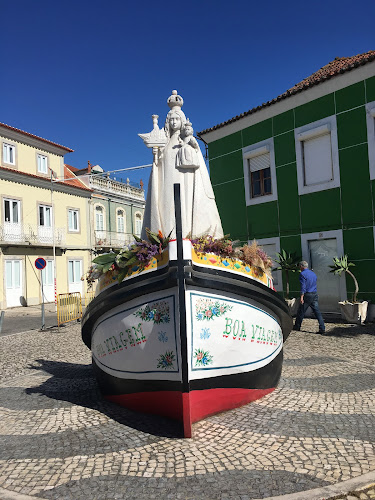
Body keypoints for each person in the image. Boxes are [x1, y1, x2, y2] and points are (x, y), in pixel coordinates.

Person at [140, 90, 224, 240]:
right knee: (167, 204)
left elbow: (196, 157)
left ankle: (187, 233)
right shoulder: (164, 143)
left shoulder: (187, 140)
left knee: (185, 204)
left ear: (182, 120)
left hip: (185, 181)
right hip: (167, 180)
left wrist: (191, 146)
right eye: (171, 119)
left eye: (176, 119)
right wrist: (156, 156)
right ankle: (167, 235)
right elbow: (157, 163)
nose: (173, 122)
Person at [294, 261, 326, 334]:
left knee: (301, 311)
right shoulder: (313, 273)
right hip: (314, 294)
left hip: (307, 295)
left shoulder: (302, 274)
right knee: (317, 312)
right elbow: (314, 284)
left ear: (301, 266)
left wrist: (302, 297)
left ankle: (297, 326)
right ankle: (322, 328)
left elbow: (303, 286)